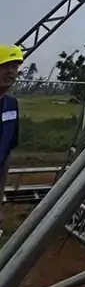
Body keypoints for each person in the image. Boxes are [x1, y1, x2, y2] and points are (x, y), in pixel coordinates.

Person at [0, 45, 23, 236]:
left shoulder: (11, 105)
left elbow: (7, 152)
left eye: (15, 67)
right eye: (5, 66)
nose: (11, 72)